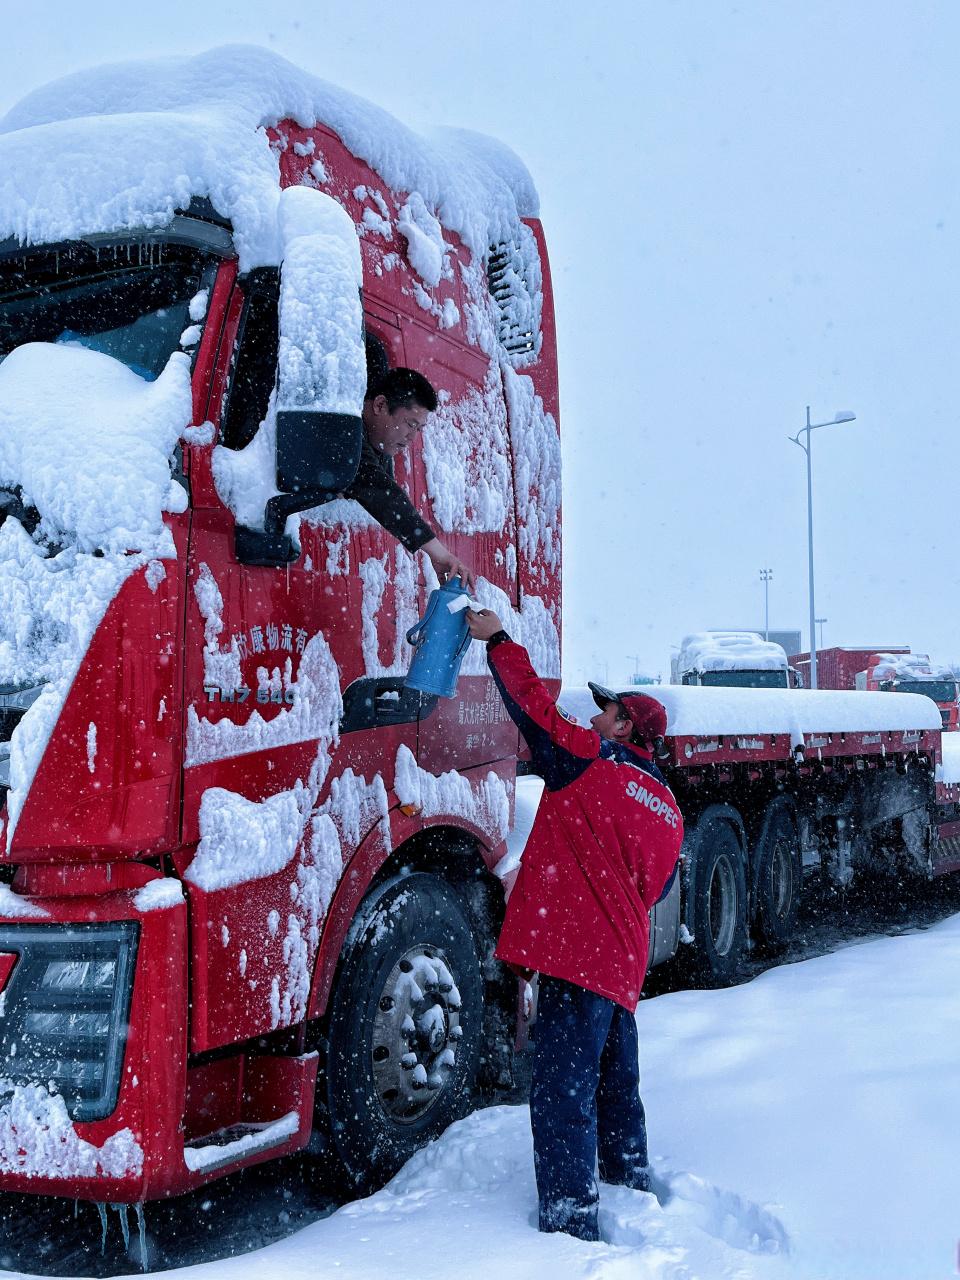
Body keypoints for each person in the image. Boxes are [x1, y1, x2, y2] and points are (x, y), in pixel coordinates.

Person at [465, 607, 684, 1242]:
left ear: (626, 728)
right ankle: (629, 1181)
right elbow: (659, 886)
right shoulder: (667, 806)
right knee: (618, 1086)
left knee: (562, 1092)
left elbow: (533, 708)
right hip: (620, 966)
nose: (593, 717)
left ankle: (569, 1225)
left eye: (606, 712)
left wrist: (499, 641)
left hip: (577, 957)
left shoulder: (592, 761)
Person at [345, 367, 475, 591]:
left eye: (419, 428)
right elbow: (373, 484)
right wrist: (437, 552)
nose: (412, 438)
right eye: (410, 424)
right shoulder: (345, 429)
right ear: (380, 405)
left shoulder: (376, 446)